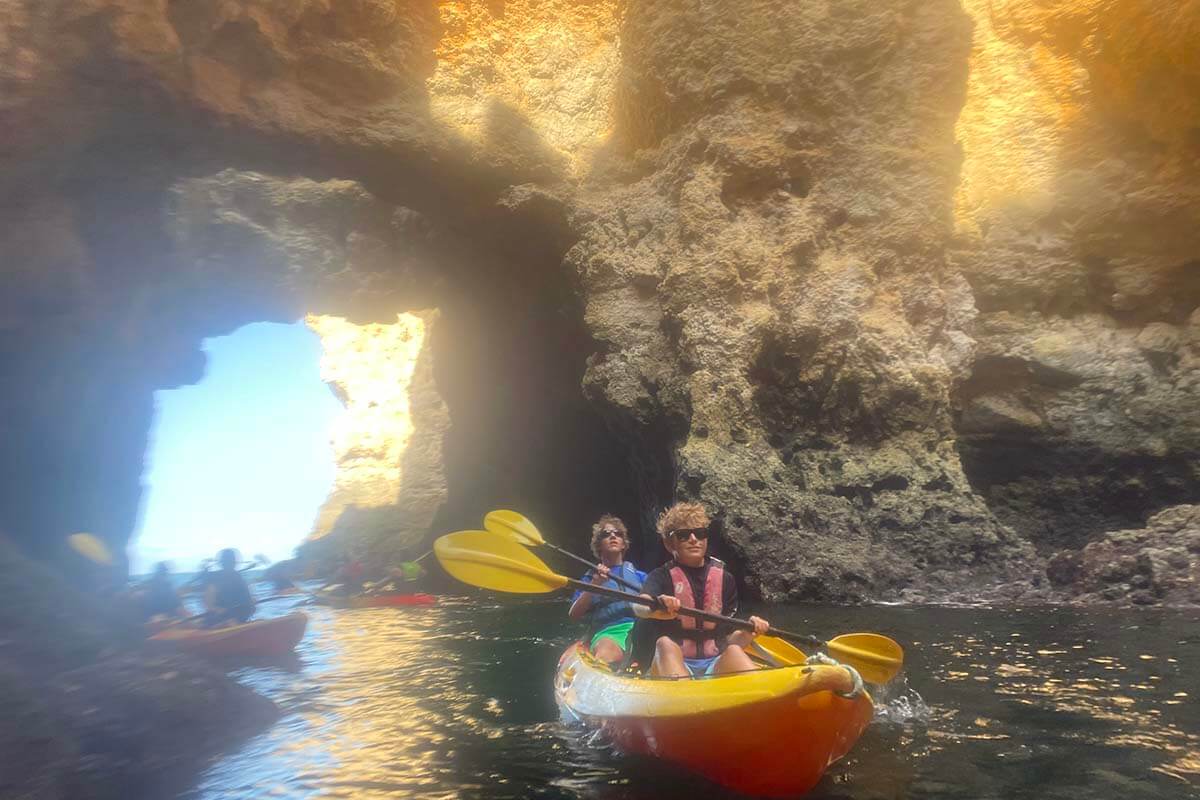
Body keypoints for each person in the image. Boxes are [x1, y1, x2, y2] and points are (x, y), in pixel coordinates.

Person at [635, 502, 769, 677]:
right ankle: (682, 694)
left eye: (699, 533)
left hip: (714, 663)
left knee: (735, 651)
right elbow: (639, 607)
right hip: (676, 662)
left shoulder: (725, 579)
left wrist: (749, 632)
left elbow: (726, 640)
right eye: (683, 535)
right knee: (664, 644)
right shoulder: (660, 576)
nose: (693, 539)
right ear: (670, 544)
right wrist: (655, 607)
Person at [568, 515, 646, 664]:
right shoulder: (590, 578)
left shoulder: (639, 575)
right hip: (611, 630)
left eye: (618, 534)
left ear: (623, 544)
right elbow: (574, 614)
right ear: (599, 545)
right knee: (606, 654)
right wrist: (595, 584)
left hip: (642, 629)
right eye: (606, 534)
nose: (613, 536)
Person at [204, 548, 255, 625]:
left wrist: (251, 602)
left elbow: (249, 598)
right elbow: (209, 603)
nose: (231, 564)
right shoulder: (214, 578)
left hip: (239, 616)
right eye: (228, 561)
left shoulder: (238, 576)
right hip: (221, 618)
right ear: (223, 563)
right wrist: (218, 610)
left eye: (231, 561)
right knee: (229, 622)